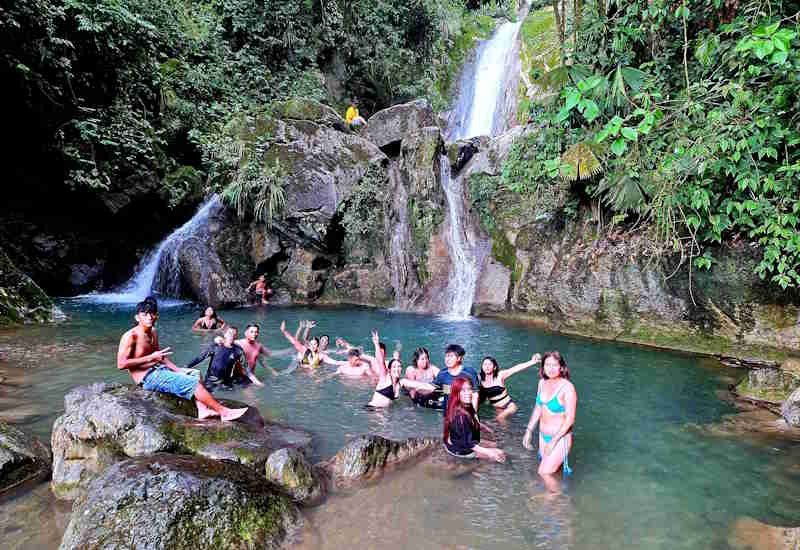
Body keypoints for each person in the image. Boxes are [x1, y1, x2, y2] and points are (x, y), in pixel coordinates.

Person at [116, 299, 248, 421]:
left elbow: (161, 356)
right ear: (137, 317)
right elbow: (121, 364)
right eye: (144, 314)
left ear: (157, 315)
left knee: (195, 374)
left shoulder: (153, 332)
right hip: (147, 377)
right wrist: (151, 357)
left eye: (152, 314)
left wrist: (178, 370)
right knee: (193, 383)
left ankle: (202, 410)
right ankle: (224, 412)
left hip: (159, 369)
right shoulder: (130, 336)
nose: (149, 317)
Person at [522, 351, 577, 481]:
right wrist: (529, 430)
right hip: (542, 436)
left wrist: (553, 441)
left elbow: (570, 420)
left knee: (543, 473)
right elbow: (538, 408)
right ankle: (557, 498)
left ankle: (555, 498)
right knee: (552, 472)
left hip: (559, 439)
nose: (550, 369)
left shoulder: (567, 388)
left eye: (554, 365)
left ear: (561, 367)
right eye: (547, 365)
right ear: (543, 367)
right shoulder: (542, 383)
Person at [443, 377, 506, 462]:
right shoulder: (460, 415)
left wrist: (484, 428)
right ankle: (483, 470)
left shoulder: (464, 405)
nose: (468, 393)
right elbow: (470, 444)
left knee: (494, 444)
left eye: (469, 389)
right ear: (456, 393)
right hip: (460, 450)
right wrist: (490, 453)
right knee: (500, 454)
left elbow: (472, 420)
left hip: (457, 442)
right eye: (463, 390)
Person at [402, 344, 479, 412]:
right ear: (416, 360)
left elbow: (475, 394)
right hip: (445, 409)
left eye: (451, 356)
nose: (448, 359)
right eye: (446, 356)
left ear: (459, 358)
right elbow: (429, 387)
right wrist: (406, 382)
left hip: (462, 407)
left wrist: (473, 414)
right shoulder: (442, 373)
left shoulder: (469, 372)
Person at [186, 326, 262, 389]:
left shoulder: (238, 350)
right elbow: (199, 358)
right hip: (211, 380)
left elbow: (247, 370)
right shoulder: (216, 346)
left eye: (234, 334)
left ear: (236, 336)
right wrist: (186, 367)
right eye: (230, 333)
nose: (232, 335)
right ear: (225, 334)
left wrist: (258, 383)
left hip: (226, 382)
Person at [479, 353, 541, 420]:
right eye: (485, 364)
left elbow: (516, 368)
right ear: (482, 367)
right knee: (502, 426)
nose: (487, 367)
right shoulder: (480, 379)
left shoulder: (500, 375)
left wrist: (532, 362)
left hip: (509, 406)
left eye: (489, 364)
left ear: (494, 367)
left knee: (499, 418)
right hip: (498, 409)